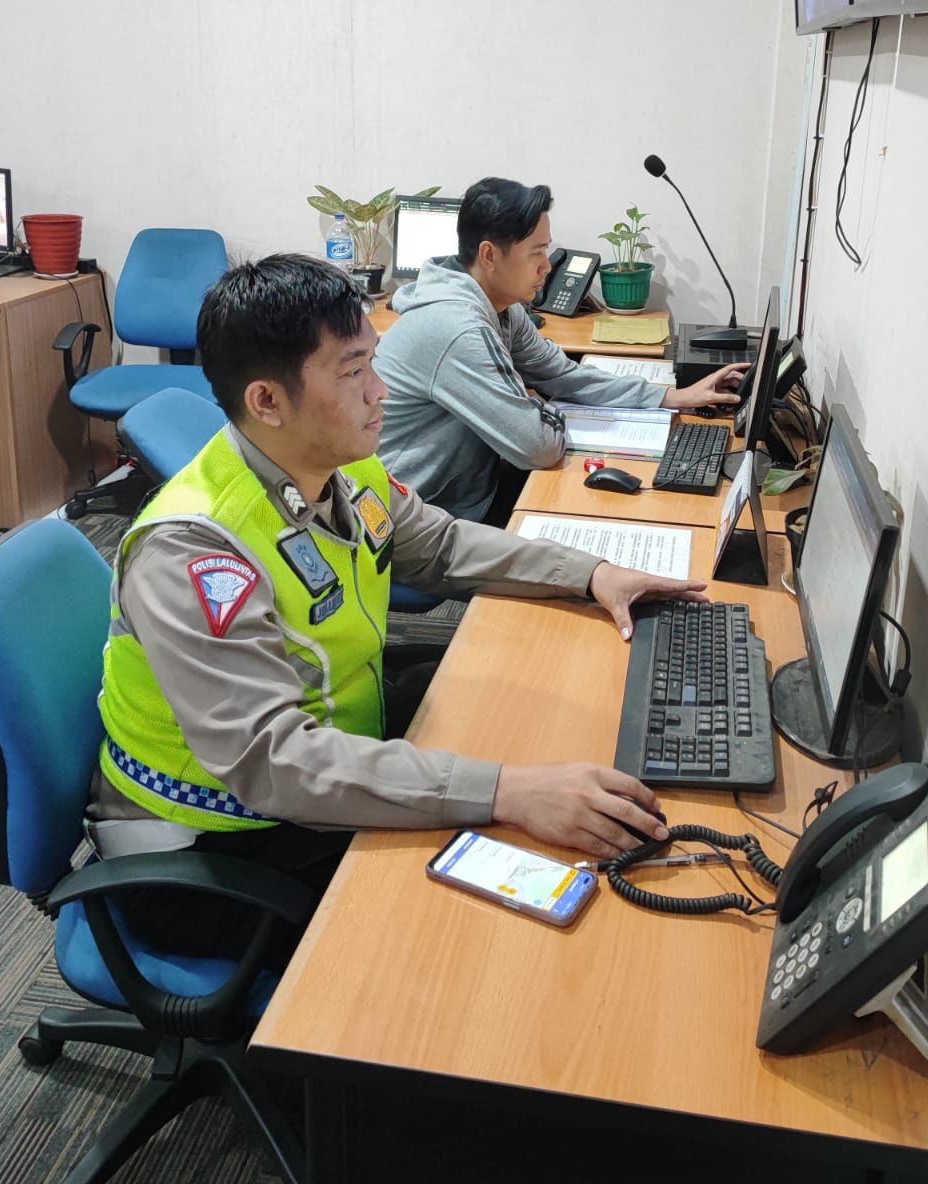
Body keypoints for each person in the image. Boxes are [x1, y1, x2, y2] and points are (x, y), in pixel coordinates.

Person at [87, 254, 705, 964]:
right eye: (353, 373)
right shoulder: (194, 551)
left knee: (534, 726)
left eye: (372, 364)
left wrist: (591, 573)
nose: (380, 391)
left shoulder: (341, 464)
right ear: (267, 401)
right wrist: (507, 792)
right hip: (213, 847)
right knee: (471, 931)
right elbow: (274, 762)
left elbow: (440, 546)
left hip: (327, 750)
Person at [375, 177, 744, 521]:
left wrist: (673, 397)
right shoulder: (458, 328)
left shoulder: (502, 307)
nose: (546, 267)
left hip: (466, 488)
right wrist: (533, 400)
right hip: (415, 518)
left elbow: (563, 375)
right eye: (536, 253)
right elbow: (537, 446)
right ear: (489, 255)